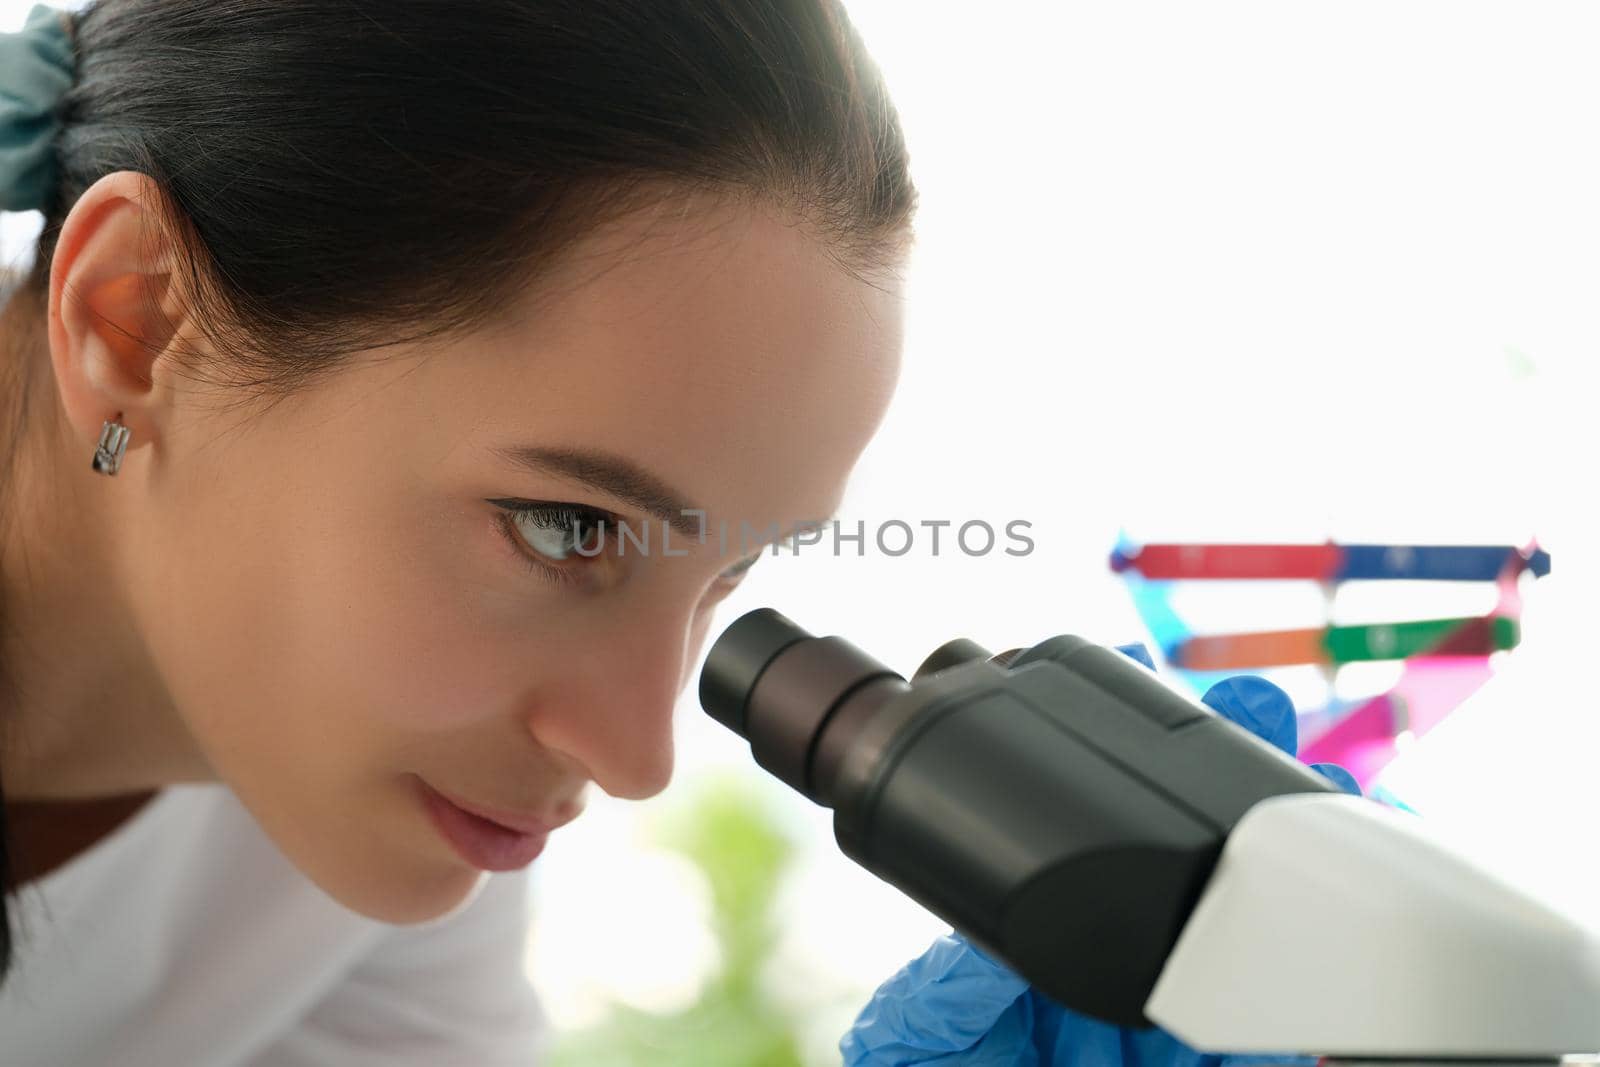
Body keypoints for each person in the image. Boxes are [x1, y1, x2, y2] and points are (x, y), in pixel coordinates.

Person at [0, 3, 1349, 1065]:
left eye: (732, 576)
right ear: (139, 316)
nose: (634, 756)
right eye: (564, 526)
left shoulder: (346, 822)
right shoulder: (364, 748)